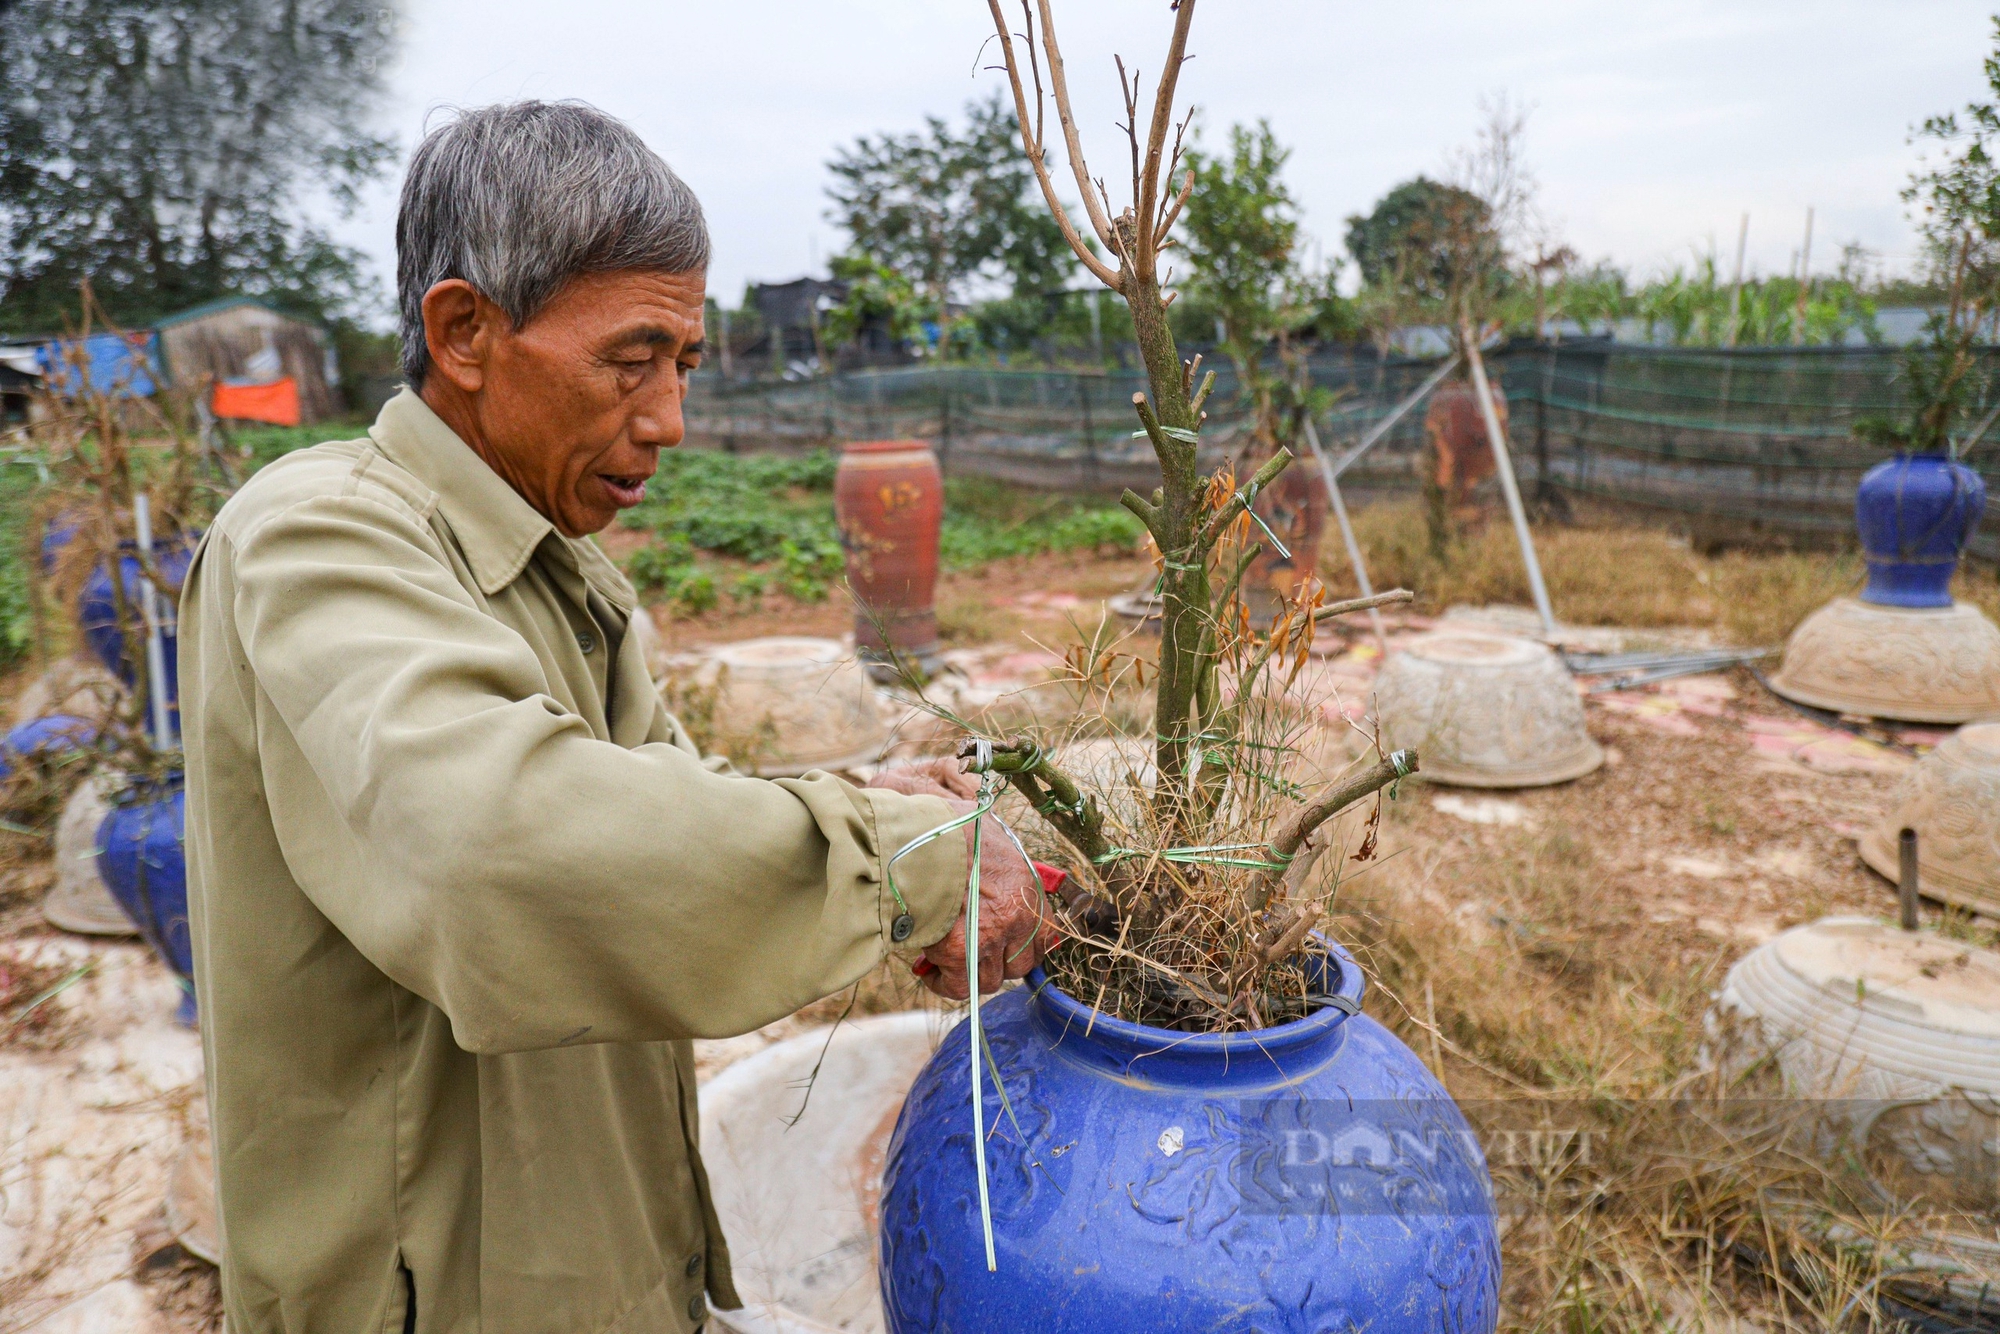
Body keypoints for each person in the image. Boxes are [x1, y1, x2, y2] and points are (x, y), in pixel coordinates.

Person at [179, 99, 1055, 1334]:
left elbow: (650, 834)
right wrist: (897, 857)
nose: (668, 419)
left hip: (599, 1254)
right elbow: (501, 846)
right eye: (628, 357)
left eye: (683, 365)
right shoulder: (316, 535)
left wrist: (880, 811)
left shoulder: (565, 570)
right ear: (466, 329)